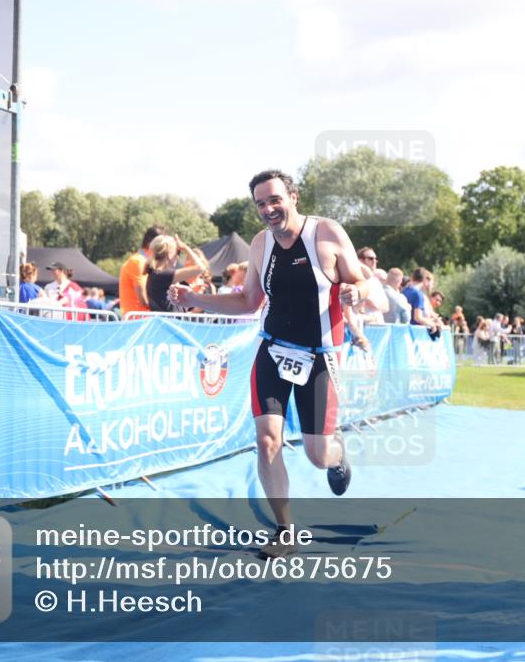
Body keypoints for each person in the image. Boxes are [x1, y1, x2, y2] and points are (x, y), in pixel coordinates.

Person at [168, 169, 371, 558]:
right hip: (274, 351)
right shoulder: (261, 244)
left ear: (293, 196)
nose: (268, 209)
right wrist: (195, 299)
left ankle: (336, 452)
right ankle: (285, 531)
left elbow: (364, 283)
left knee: (316, 454)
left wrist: (354, 293)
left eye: (274, 199)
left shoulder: (326, 233)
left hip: (319, 357)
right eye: (260, 203)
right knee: (266, 440)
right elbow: (249, 301)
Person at [145, 234, 207, 312]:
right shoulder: (162, 275)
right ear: (169, 255)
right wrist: (185, 247)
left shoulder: (157, 274)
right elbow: (201, 268)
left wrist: (189, 293)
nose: (178, 257)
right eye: (177, 253)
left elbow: (174, 307)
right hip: (168, 322)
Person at [119, 225, 165, 318]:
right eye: (162, 245)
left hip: (142, 320)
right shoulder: (138, 262)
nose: (164, 249)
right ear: (150, 243)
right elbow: (143, 299)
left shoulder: (143, 261)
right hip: (137, 321)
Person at [402, 268, 443, 335]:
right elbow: (417, 317)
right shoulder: (418, 294)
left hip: (405, 331)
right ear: (424, 279)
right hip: (415, 333)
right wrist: (433, 325)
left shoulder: (404, 290)